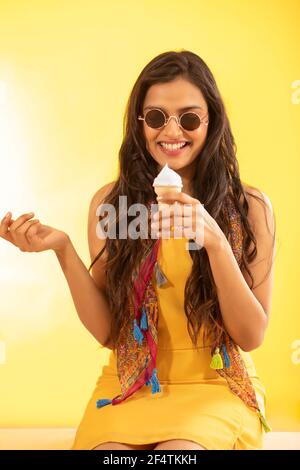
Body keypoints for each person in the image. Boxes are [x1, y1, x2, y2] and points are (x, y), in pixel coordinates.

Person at [0, 50, 276, 451]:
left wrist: (215, 242)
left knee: (179, 454)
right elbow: (112, 333)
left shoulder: (248, 206)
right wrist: (62, 250)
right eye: (157, 116)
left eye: (190, 117)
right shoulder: (111, 204)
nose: (172, 131)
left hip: (216, 385)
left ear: (211, 121)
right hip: (131, 383)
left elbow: (250, 336)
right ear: (140, 122)